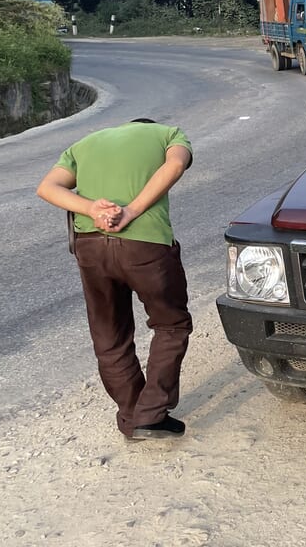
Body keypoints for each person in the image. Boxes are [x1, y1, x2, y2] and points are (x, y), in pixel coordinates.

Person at [35, 119, 194, 441]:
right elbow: (176, 164)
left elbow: (47, 188)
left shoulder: (85, 142)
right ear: (149, 127)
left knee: (109, 334)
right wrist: (132, 210)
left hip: (91, 246)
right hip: (145, 246)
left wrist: (92, 208)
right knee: (170, 325)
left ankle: (132, 415)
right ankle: (150, 415)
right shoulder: (169, 134)